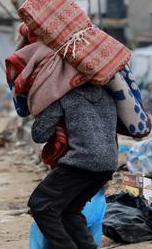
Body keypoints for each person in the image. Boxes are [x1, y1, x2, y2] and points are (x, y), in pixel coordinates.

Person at [28, 83, 117, 249]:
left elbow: (39, 135)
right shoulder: (108, 95)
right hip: (108, 164)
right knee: (70, 212)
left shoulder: (64, 95)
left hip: (80, 161)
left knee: (40, 205)